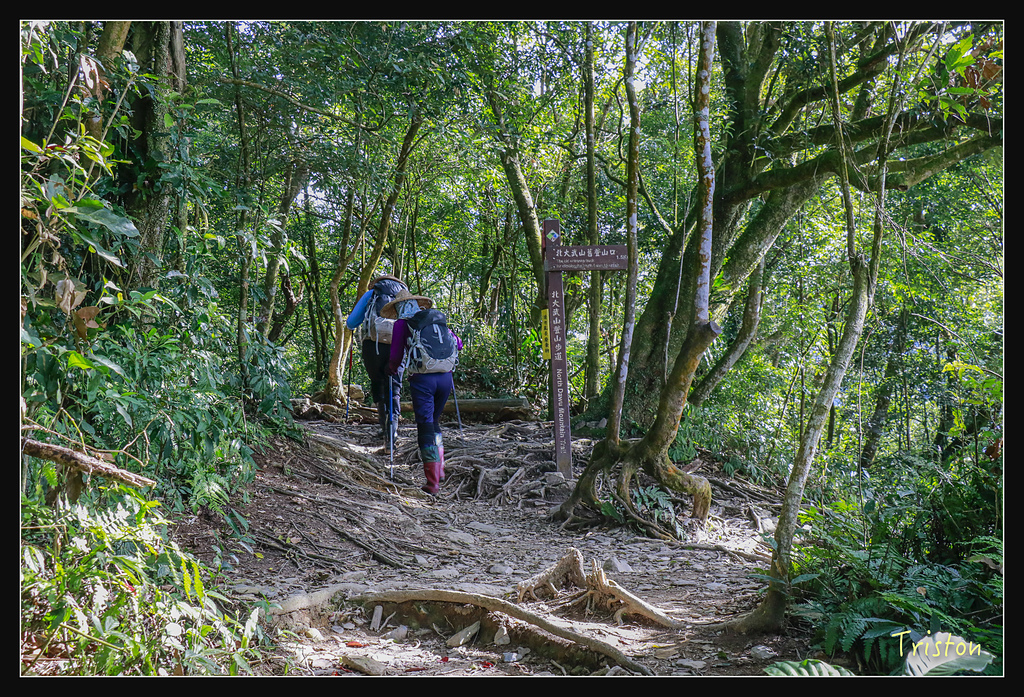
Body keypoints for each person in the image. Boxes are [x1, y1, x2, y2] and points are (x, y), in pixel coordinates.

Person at [381, 290, 462, 495]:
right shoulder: (433, 319)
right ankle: (439, 470)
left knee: (425, 426)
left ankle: (432, 484)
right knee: (434, 423)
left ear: (399, 307)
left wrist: (389, 370)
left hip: (422, 381)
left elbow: (396, 356)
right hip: (445, 377)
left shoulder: (402, 324)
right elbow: (458, 343)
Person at [346, 274, 408, 452]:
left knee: (377, 382)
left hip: (372, 345)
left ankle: (384, 427)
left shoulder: (372, 294)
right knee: (394, 387)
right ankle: (392, 434)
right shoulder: (404, 295)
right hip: (398, 344)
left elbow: (351, 322)